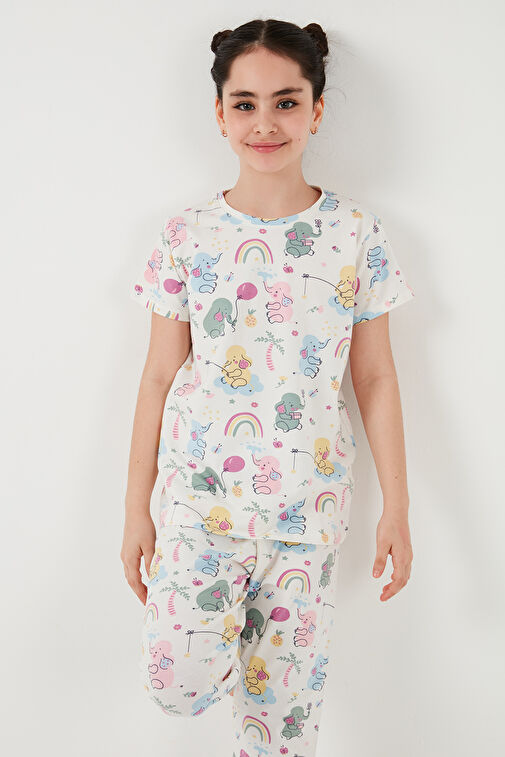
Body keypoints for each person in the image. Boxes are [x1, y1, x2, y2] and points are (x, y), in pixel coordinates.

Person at [121, 18, 415, 756]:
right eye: (245, 103)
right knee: (175, 682)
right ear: (219, 114)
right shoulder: (186, 236)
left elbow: (375, 376)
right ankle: (234, 650)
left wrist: (397, 506)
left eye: (286, 101)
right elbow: (157, 375)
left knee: (281, 734)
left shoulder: (355, 234)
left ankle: (272, 687)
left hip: (306, 513)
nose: (265, 123)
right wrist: (135, 510)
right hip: (201, 508)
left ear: (317, 109)